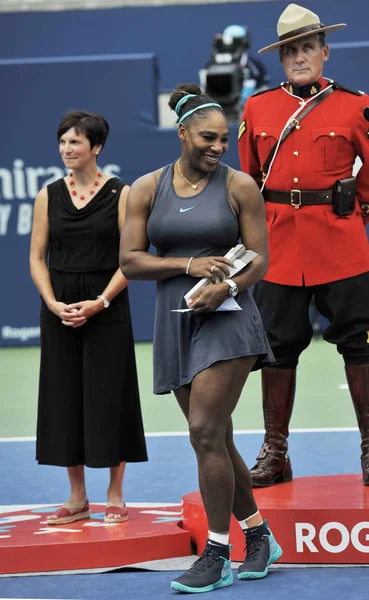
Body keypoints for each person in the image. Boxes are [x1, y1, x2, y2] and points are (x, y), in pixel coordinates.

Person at [120, 83, 281, 593]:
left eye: (224, 139)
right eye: (207, 138)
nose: (217, 146)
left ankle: (217, 552)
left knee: (206, 431)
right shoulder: (146, 187)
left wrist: (227, 284)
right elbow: (130, 261)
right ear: (183, 133)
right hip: (176, 320)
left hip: (230, 319)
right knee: (216, 438)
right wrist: (188, 265)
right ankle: (259, 538)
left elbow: (259, 257)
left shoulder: (240, 187)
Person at [238, 3, 369, 488]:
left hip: (340, 241)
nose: (299, 57)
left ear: (324, 52)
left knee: (360, 342)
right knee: (275, 349)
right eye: (290, 50)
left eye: (307, 47)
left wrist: (357, 213)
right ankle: (276, 453)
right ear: (281, 58)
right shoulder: (258, 108)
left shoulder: (355, 105)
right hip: (279, 246)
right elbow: (248, 177)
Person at [29, 110, 147, 525]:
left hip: (106, 308)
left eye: (75, 142)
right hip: (60, 311)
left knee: (109, 397)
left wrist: (101, 301)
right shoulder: (47, 196)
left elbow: (130, 259)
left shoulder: (122, 193)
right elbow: (37, 257)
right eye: (62, 141)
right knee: (64, 399)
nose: (66, 149)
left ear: (96, 147)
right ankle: (77, 498)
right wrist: (51, 301)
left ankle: (115, 495)